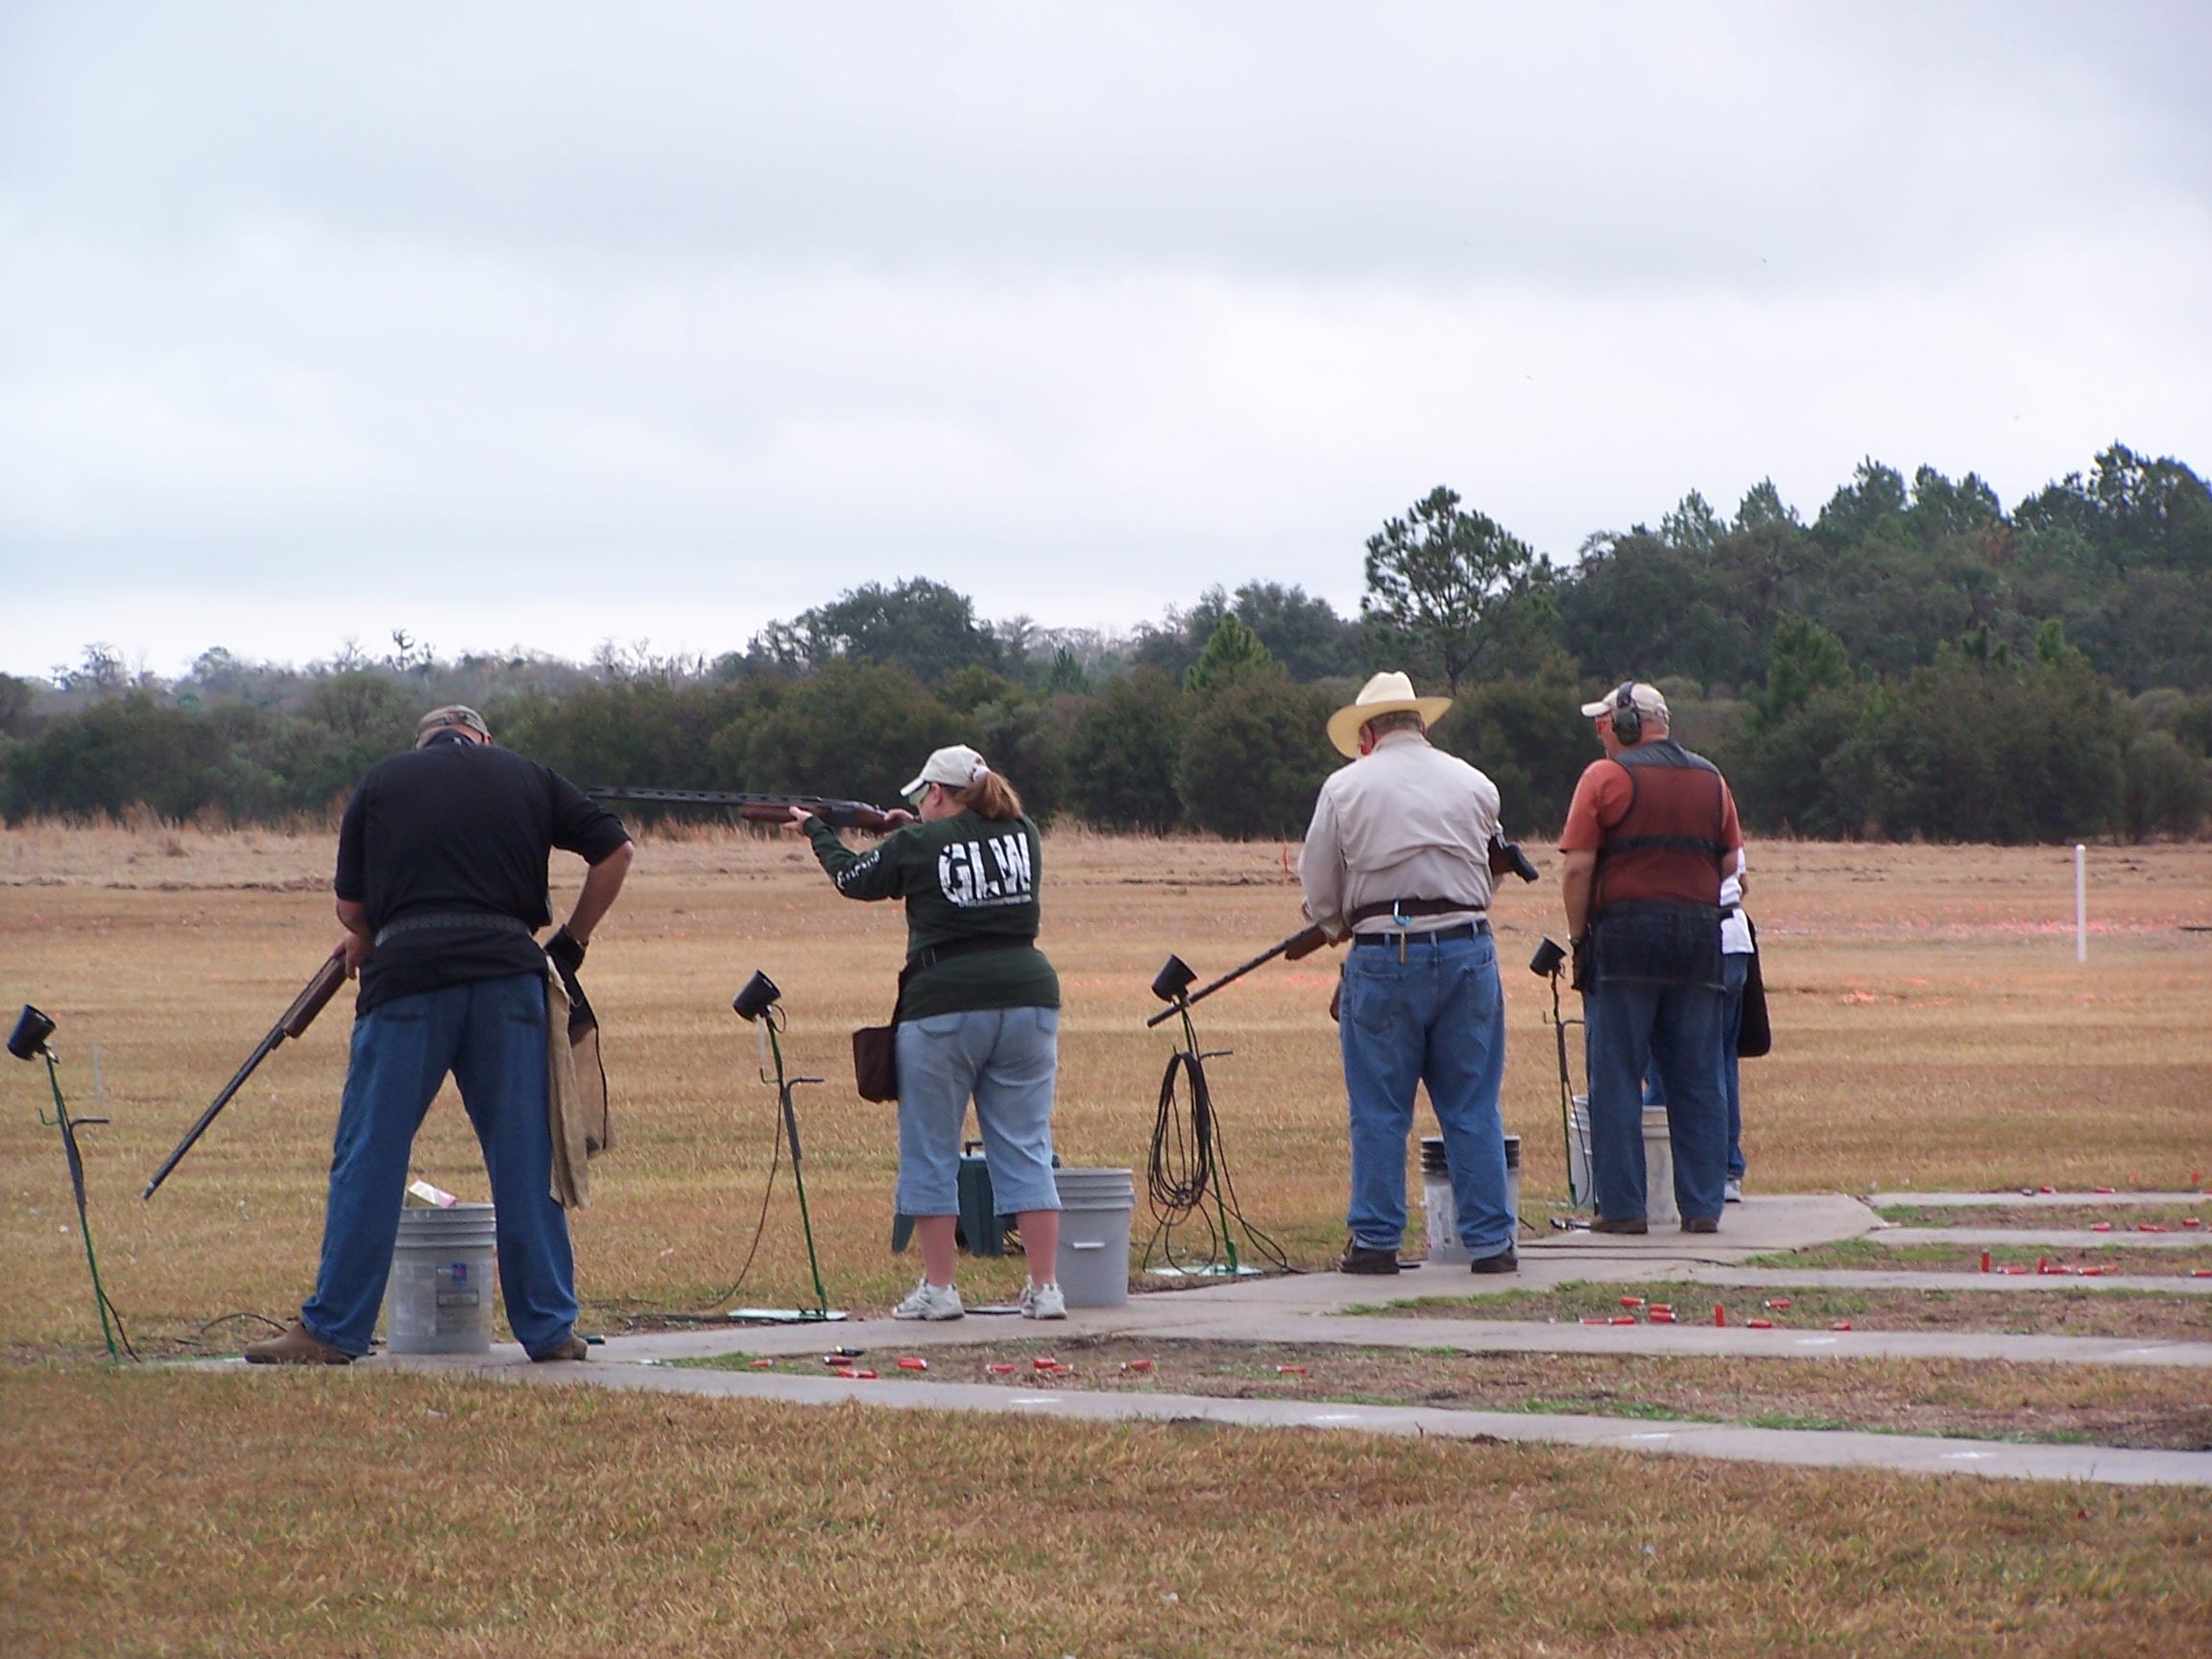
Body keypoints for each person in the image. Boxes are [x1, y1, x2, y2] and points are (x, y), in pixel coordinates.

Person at [245, 705, 634, 1364]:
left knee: (370, 1153)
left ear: (422, 745)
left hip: (407, 981)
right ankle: (549, 1329)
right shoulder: (528, 776)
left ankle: (333, 1329)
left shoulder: (380, 782)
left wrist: (369, 933)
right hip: (507, 979)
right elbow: (615, 850)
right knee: (526, 1158)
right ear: (482, 740)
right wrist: (570, 942)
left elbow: (352, 910)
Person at [792, 744, 1066, 1320]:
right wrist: (904, 832)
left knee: (930, 1151)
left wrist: (818, 832)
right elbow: (958, 852)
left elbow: (852, 878)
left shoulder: (918, 843)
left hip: (943, 1004)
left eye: (923, 795)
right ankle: (1046, 1290)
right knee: (1025, 1148)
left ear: (936, 794)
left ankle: (940, 1290)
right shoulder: (1025, 833)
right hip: (1029, 999)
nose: (919, 803)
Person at [1299, 671, 1516, 1276]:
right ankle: (1491, 1242)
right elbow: (1493, 870)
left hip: (1382, 954)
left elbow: (1319, 889)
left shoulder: (1344, 789)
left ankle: (1375, 1240)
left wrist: (1338, 926)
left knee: (1379, 1109)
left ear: (1367, 734)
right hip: (1469, 949)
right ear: (1421, 725)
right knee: (1472, 1106)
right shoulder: (1475, 784)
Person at [1558, 682, 1743, 1235]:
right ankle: (1703, 1205)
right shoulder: (1712, 779)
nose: (1601, 734)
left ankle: (1623, 1208)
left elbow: (1575, 869)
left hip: (1625, 939)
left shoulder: (1605, 778)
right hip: (1697, 940)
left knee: (1616, 1076)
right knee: (1697, 1076)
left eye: (1604, 723)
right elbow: (1732, 864)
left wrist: (1579, 938)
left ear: (1627, 724)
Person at [1639, 846, 1753, 1202]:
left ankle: (1661, 1173)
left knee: (1665, 1062)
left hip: (1689, 939)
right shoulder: (1716, 802)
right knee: (1721, 1061)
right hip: (1734, 938)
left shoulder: (1657, 814)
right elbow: (1741, 880)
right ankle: (1725, 1170)